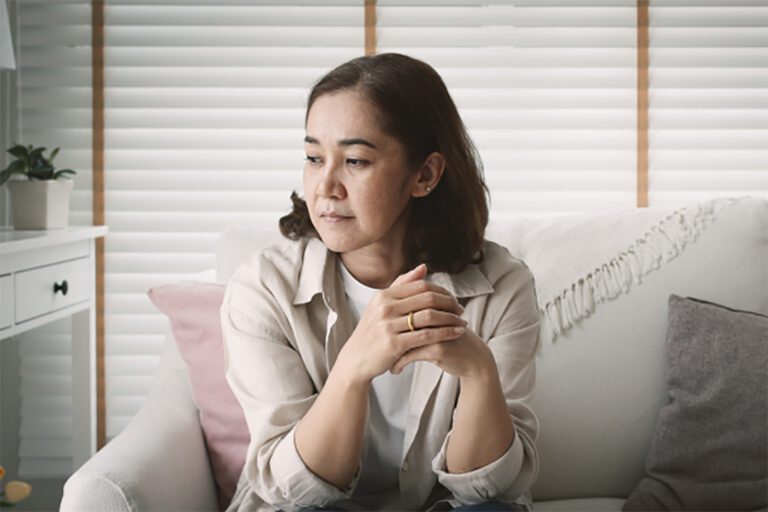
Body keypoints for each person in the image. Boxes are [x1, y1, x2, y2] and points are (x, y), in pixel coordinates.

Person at [221, 53, 541, 512]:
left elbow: (490, 489)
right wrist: (354, 367)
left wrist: (478, 370)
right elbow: (293, 489)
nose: (325, 186)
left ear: (425, 174)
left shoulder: (503, 287)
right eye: (314, 158)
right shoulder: (263, 288)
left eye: (355, 160)